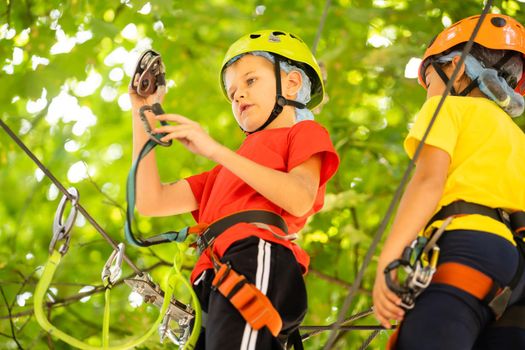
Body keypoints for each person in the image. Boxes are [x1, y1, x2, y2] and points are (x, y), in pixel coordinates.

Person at [128, 29, 339, 350]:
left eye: (251, 81)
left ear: (292, 84)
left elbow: (298, 198)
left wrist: (214, 149)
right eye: (232, 92)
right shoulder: (224, 172)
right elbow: (151, 201)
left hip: (256, 256)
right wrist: (142, 110)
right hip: (213, 278)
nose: (238, 95)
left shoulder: (303, 133)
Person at [372, 14, 525, 350]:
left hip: (468, 246)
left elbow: (428, 182)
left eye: (430, 81)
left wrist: (389, 259)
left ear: (455, 69)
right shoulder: (516, 136)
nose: (429, 93)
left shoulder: (446, 110)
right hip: (515, 270)